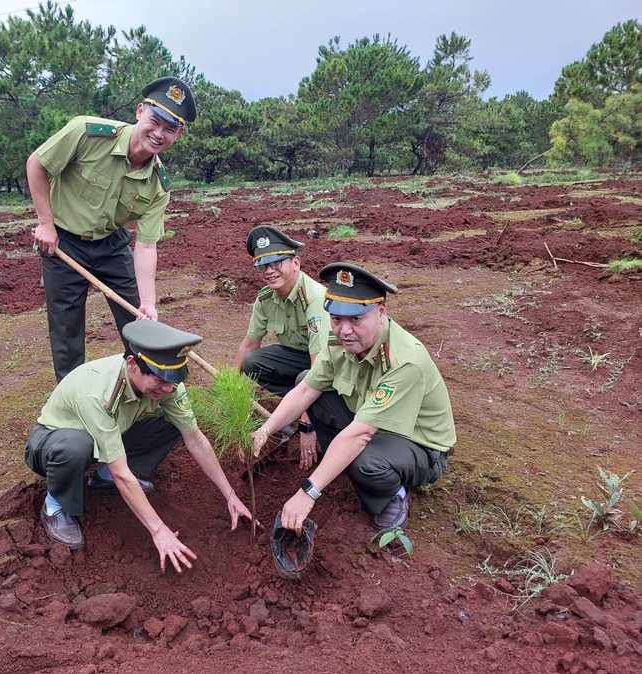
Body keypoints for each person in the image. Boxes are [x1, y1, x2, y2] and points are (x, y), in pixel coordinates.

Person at [24, 320, 252, 573]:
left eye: (173, 380)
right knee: (77, 446)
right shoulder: (97, 393)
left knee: (172, 422)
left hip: (107, 435)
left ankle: (102, 476)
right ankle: (55, 505)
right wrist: (159, 530)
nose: (168, 387)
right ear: (132, 365)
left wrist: (230, 495)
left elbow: (195, 438)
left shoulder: (168, 385)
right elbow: (123, 474)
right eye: (160, 379)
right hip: (53, 444)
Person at [250, 263, 455, 536]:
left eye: (356, 319)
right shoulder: (339, 342)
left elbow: (361, 434)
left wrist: (308, 492)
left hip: (419, 445)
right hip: (371, 423)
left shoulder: (404, 362)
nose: (344, 330)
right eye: (336, 319)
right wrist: (265, 430)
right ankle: (338, 460)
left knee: (363, 459)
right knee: (305, 380)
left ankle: (394, 494)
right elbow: (305, 391)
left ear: (381, 312)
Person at [26, 77, 197, 381]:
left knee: (138, 318)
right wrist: (45, 223)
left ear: (178, 134)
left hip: (110, 243)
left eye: (170, 129)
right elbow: (36, 164)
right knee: (66, 328)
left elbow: (146, 245)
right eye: (154, 121)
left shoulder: (159, 185)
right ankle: (71, 392)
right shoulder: (86, 132)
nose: (159, 133)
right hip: (63, 241)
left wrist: (148, 302)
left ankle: (149, 385)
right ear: (140, 111)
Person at [230, 225, 329, 457]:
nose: (270, 271)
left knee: (307, 377)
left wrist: (307, 425)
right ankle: (293, 404)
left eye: (277, 263)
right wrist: (228, 390)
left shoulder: (314, 299)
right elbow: (248, 345)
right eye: (263, 265)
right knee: (252, 361)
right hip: (300, 360)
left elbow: (319, 367)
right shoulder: (266, 299)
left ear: (296, 263)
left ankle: (316, 409)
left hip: (331, 367)